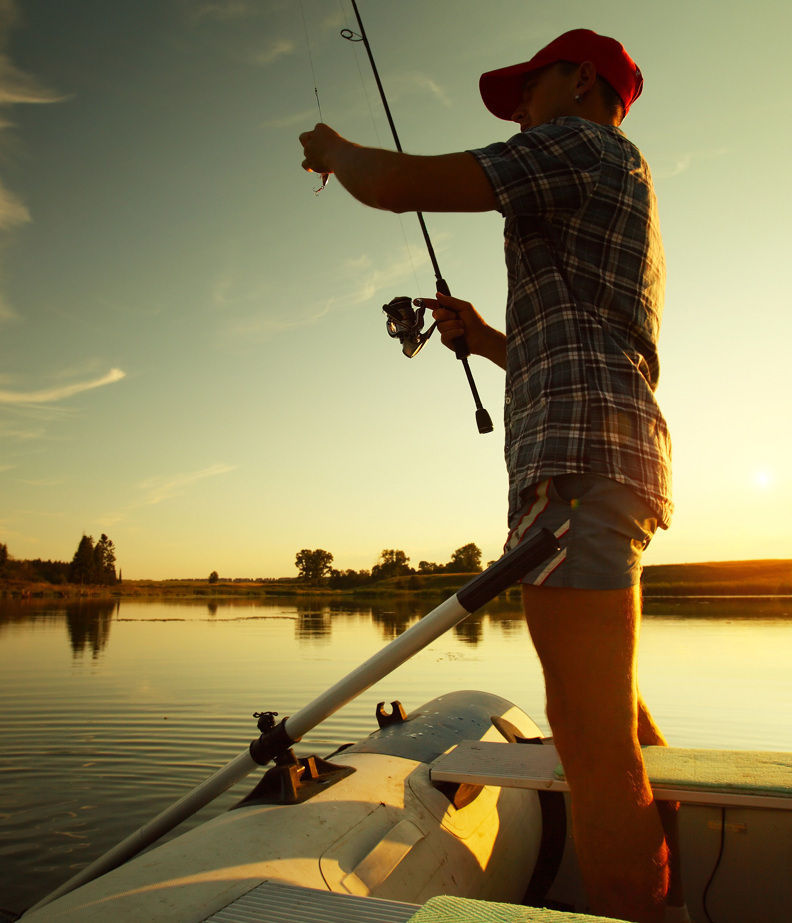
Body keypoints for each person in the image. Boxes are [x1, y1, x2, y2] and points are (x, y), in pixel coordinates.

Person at [299, 29, 681, 923]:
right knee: (612, 718)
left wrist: (332, 148)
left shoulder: (582, 144)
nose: (518, 110)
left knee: (595, 753)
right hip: (599, 458)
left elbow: (396, 187)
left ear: (582, 82)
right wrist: (481, 338)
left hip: (577, 470)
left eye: (527, 89)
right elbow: (579, 344)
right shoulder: (618, 174)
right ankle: (685, 871)